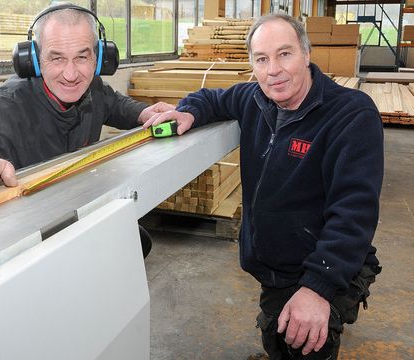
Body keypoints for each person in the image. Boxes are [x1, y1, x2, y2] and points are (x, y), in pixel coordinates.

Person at [144, 13, 383, 359]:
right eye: (261, 59)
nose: (273, 70)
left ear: (306, 53)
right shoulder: (253, 99)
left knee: (306, 345)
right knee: (276, 338)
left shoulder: (350, 115)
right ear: (252, 65)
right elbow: (211, 98)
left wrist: (318, 288)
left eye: (285, 54)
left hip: (326, 263)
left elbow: (354, 211)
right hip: (273, 264)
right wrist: (188, 112)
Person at [0, 3, 174, 257]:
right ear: (33, 59)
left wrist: (143, 113)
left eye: (82, 57)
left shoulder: (92, 89)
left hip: (74, 205)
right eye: (56, 58)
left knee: (137, 242)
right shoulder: (9, 103)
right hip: (27, 229)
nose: (71, 74)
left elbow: (116, 104)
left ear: (99, 58)